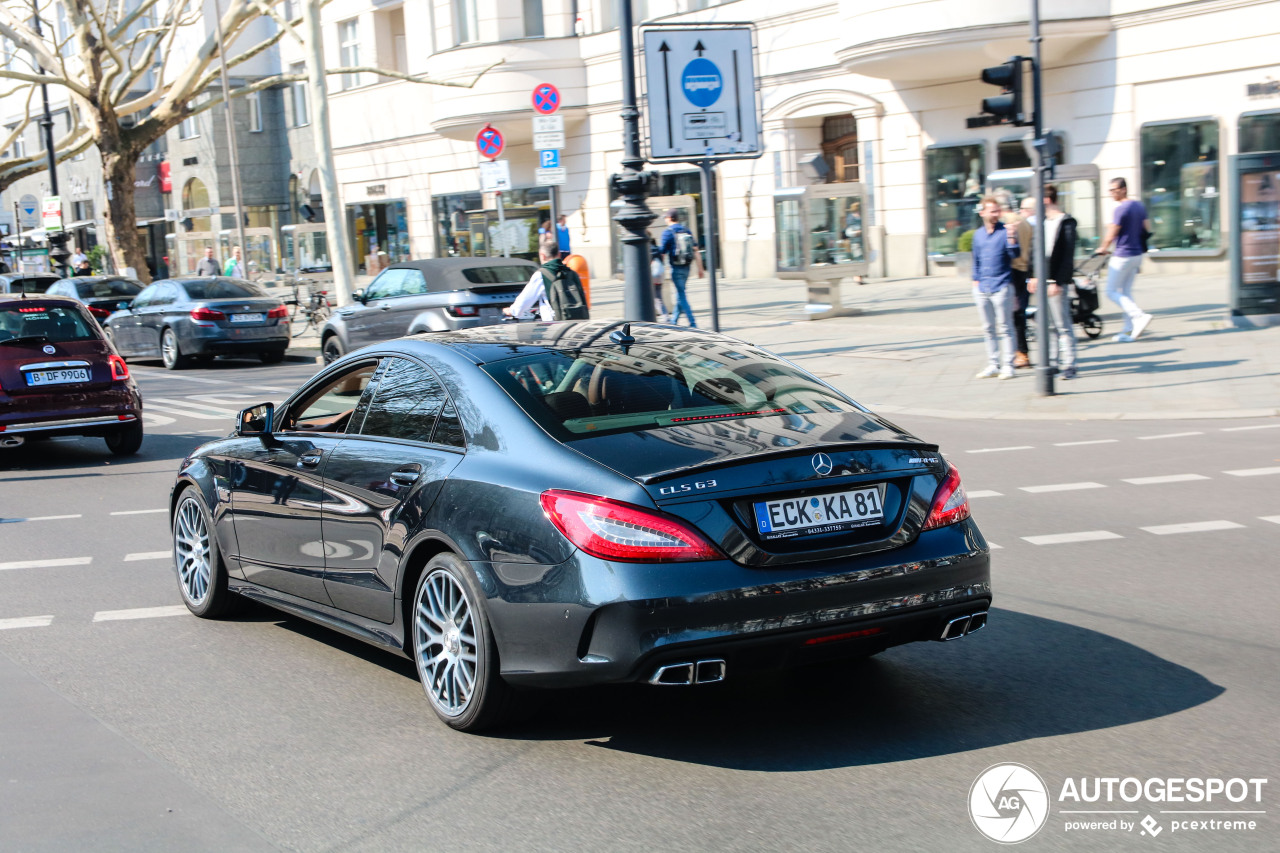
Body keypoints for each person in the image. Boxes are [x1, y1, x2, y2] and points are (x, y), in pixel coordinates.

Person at [1027, 184, 1080, 380]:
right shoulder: (1041, 222)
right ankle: (1053, 362)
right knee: (1047, 325)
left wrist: (1059, 281)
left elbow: (1067, 256)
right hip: (1042, 280)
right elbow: (1035, 250)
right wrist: (1033, 276)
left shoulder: (1066, 222)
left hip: (1056, 281)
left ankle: (1070, 364)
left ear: (1047, 200)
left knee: (1062, 324)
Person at [1097, 177, 1153, 342]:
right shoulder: (1139, 206)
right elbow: (1147, 228)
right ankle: (1129, 330)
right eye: (1110, 190)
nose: (1112, 194)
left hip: (1122, 255)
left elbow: (1112, 232)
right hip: (1137, 255)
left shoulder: (1121, 209)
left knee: (1110, 291)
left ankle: (1139, 316)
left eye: (1114, 190)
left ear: (1124, 189)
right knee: (1126, 292)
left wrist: (1103, 247)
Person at [971, 196, 1019, 380]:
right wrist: (975, 281)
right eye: (992, 211)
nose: (996, 214)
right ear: (983, 213)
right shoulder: (978, 235)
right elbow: (976, 259)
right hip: (982, 287)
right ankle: (993, 364)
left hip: (1002, 286)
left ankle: (1009, 365)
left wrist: (1012, 236)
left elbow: (1015, 254)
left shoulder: (1005, 231)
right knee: (988, 328)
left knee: (1005, 327)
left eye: (998, 210)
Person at [504, 236, 589, 321]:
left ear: (542, 256)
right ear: (559, 254)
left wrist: (512, 311)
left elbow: (526, 299)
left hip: (555, 325)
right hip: (578, 322)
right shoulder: (572, 273)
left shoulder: (541, 275)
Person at [659, 208, 702, 327]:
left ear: (669, 218)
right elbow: (696, 250)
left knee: (681, 295)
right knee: (680, 293)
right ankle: (673, 322)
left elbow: (661, 252)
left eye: (666, 217)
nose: (665, 220)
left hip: (676, 268)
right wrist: (700, 268)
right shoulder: (686, 230)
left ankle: (693, 323)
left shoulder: (667, 232)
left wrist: (660, 270)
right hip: (687, 267)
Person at [1010, 197, 1037, 368]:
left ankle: (1021, 353)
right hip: (1025, 273)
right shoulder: (1027, 224)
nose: (1021, 211)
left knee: (1017, 315)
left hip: (1018, 273)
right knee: (1019, 314)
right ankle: (1020, 353)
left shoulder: (1019, 224)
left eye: (1024, 208)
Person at [649, 237, 668, 322]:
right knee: (658, 298)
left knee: (649, 298)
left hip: (650, 277)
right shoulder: (659, 249)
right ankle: (665, 317)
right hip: (659, 276)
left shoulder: (647, 250)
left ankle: (650, 318)